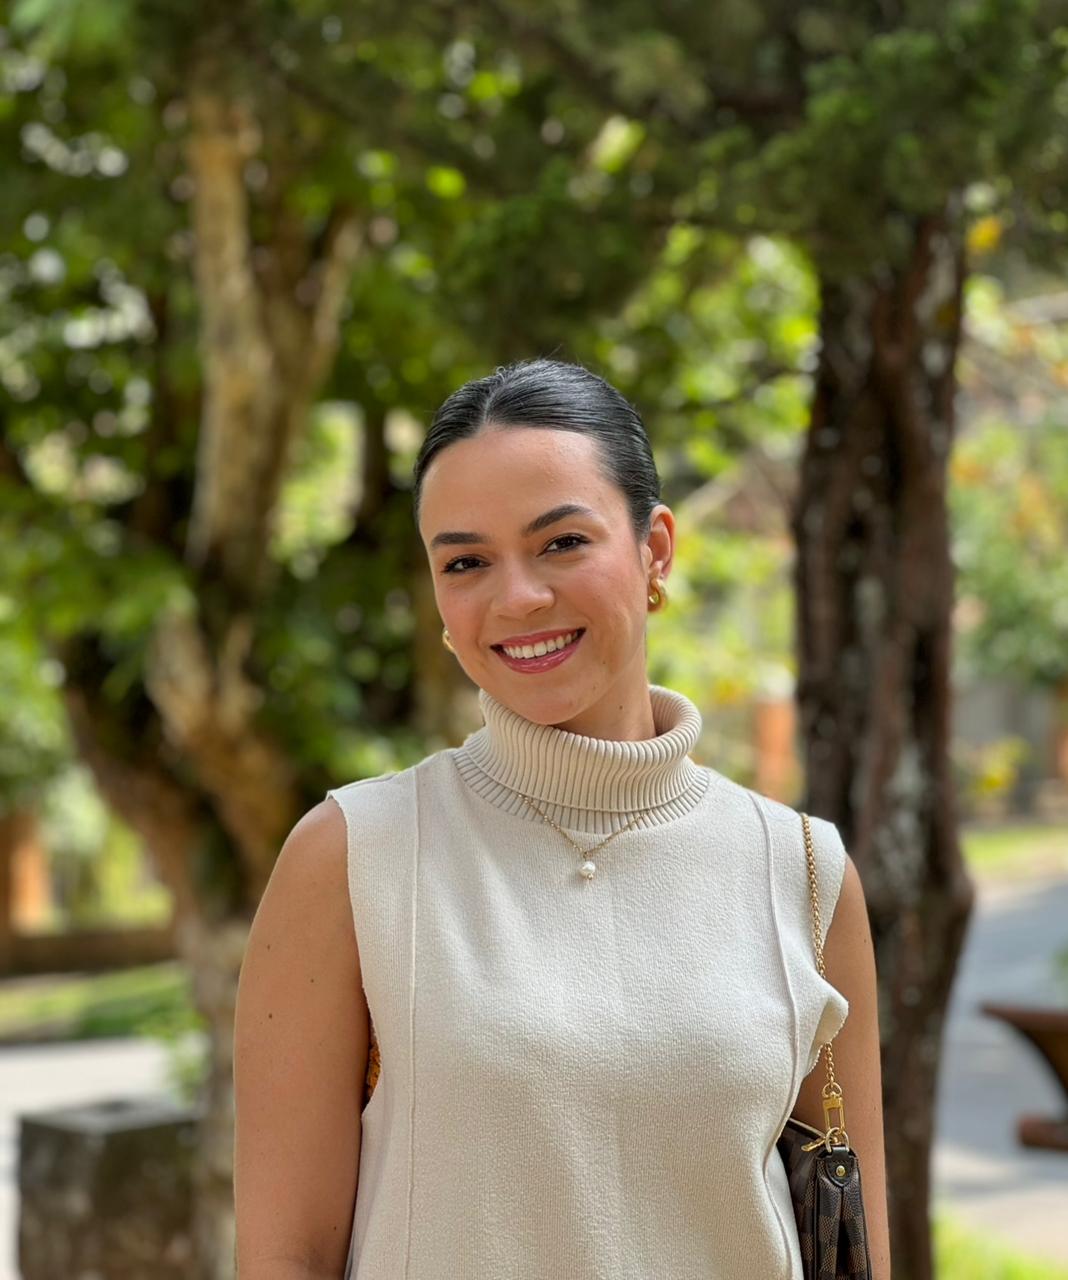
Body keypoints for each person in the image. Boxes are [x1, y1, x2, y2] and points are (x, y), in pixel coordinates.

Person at [233, 357, 891, 1279]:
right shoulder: (355, 857)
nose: (517, 598)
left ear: (656, 550)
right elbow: (286, 1257)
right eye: (466, 562)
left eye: (562, 542)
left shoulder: (804, 872)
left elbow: (856, 1250)